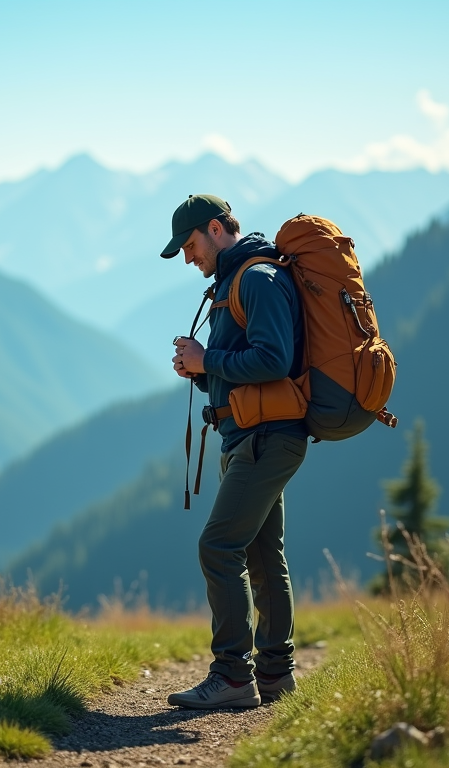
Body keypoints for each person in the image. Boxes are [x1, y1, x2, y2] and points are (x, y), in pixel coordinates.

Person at [161, 194, 307, 709]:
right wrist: (201, 371)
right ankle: (274, 675)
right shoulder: (234, 280)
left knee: (218, 547)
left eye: (190, 243)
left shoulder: (257, 278)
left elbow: (273, 359)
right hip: (249, 435)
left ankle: (232, 676)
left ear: (217, 228)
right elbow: (239, 369)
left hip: (267, 438)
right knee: (264, 556)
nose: (187, 257)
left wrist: (210, 358)